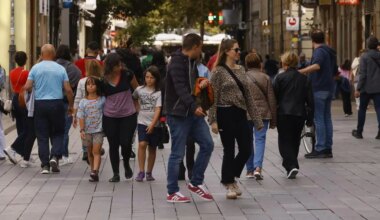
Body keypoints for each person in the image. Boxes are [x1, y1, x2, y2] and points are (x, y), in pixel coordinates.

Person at [210, 39, 263, 199]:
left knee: (246, 149)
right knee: (229, 149)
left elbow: (248, 96)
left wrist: (257, 119)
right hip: (224, 113)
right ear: (227, 51)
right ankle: (230, 185)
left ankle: (228, 177)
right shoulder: (218, 71)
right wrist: (213, 120)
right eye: (236, 50)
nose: (239, 52)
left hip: (241, 113)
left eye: (239, 50)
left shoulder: (240, 69)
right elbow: (213, 96)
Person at [165, 33, 214, 203]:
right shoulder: (177, 62)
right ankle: (172, 191)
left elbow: (189, 87)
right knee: (177, 153)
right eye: (200, 48)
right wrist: (194, 107)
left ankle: (196, 182)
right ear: (194, 46)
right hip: (178, 114)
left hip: (192, 113)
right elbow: (180, 88)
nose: (201, 51)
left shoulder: (191, 62)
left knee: (208, 144)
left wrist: (200, 85)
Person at [24, 44, 74, 174]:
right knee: (58, 132)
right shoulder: (60, 69)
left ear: (41, 54)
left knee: (42, 135)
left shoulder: (35, 68)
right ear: (53, 54)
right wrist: (71, 106)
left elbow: (28, 86)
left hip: (40, 104)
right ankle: (55, 156)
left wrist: (36, 86)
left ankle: (45, 165)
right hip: (57, 103)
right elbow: (68, 90)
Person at [273, 51, 314, 179]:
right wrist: (310, 119)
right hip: (299, 114)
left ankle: (291, 165)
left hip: (283, 114)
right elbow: (310, 101)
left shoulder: (279, 78)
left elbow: (274, 97)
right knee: (295, 140)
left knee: (284, 141)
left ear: (284, 63)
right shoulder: (304, 79)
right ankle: (292, 164)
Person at [299, 30, 337, 158]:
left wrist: (302, 71)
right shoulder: (330, 51)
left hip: (319, 87)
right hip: (328, 87)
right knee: (326, 118)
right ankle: (328, 147)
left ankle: (320, 147)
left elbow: (317, 66)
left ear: (312, 40)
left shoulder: (319, 51)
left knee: (319, 118)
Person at [101, 53, 139, 182]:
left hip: (128, 115)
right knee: (113, 144)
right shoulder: (103, 80)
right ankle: (115, 173)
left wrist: (138, 108)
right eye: (118, 65)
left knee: (126, 142)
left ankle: (126, 163)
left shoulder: (128, 74)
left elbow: (137, 90)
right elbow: (100, 98)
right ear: (111, 66)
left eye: (121, 64)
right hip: (110, 116)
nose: (120, 66)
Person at [244, 52, 277, 180]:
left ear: (246, 64)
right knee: (260, 139)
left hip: (246, 113)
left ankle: (249, 170)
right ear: (259, 63)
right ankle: (258, 167)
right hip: (263, 113)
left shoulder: (242, 77)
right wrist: (274, 119)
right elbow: (271, 99)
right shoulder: (266, 78)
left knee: (247, 141)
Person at [75, 41, 103, 161]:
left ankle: (86, 149)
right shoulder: (100, 63)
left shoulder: (78, 63)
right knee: (96, 126)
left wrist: (74, 111)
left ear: (86, 50)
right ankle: (95, 147)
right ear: (97, 52)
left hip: (83, 98)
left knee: (84, 126)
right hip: (96, 100)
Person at [133, 66, 162, 182]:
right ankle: (141, 171)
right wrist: (137, 107)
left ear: (156, 79)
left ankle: (149, 172)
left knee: (152, 148)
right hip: (142, 122)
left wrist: (153, 124)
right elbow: (134, 97)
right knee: (142, 144)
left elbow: (158, 109)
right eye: (147, 77)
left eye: (152, 78)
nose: (149, 80)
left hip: (155, 124)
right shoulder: (139, 90)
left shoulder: (159, 92)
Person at [56, 44, 81, 165]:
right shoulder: (73, 69)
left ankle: (55, 154)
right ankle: (63, 155)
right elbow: (72, 87)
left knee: (54, 130)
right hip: (66, 101)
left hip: (51, 102)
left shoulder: (52, 66)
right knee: (64, 130)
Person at [4, 51, 30, 166]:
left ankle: (24, 154)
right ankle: (13, 149)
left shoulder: (12, 72)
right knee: (27, 128)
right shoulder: (26, 73)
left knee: (20, 126)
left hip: (15, 98)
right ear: (25, 60)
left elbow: (11, 87)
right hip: (23, 99)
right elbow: (29, 87)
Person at [77, 77, 105, 182]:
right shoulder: (83, 102)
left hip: (99, 130)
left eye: (93, 84)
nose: (90, 86)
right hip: (87, 131)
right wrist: (82, 130)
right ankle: (92, 169)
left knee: (96, 151)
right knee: (89, 152)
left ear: (97, 86)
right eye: (88, 84)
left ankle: (95, 171)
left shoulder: (102, 99)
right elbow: (81, 116)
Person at [352, 36, 380, 139]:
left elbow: (363, 74)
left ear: (368, 45)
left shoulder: (364, 56)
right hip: (378, 88)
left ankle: (359, 132)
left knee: (362, 109)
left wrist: (358, 88)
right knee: (379, 109)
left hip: (366, 88)